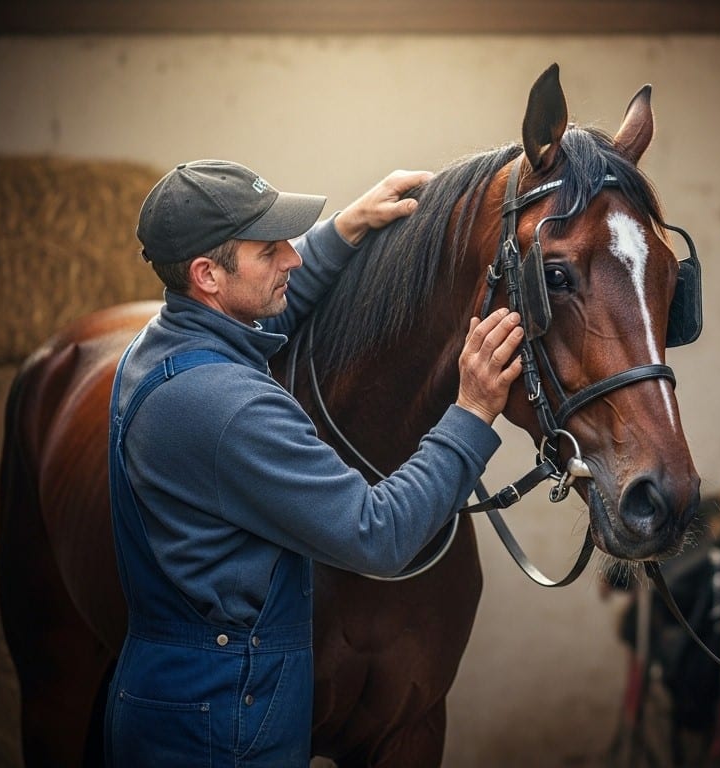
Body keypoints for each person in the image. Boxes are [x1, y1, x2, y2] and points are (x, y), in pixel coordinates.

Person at [103, 159, 524, 765]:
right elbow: (376, 533)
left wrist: (347, 228)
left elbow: (262, 312)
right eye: (270, 249)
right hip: (227, 723)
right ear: (208, 276)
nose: (292, 259)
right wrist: (471, 410)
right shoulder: (229, 408)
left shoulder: (163, 343)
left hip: (181, 690)